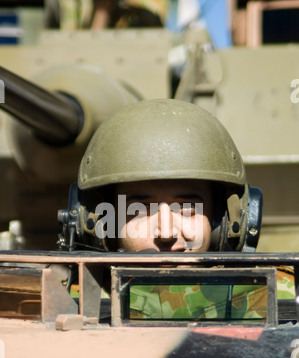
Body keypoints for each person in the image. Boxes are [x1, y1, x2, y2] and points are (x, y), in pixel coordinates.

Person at [60, 99, 294, 321]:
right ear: (99, 224)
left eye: (187, 208)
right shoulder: (63, 304)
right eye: (141, 210)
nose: (166, 233)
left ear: (227, 223)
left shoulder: (280, 298)